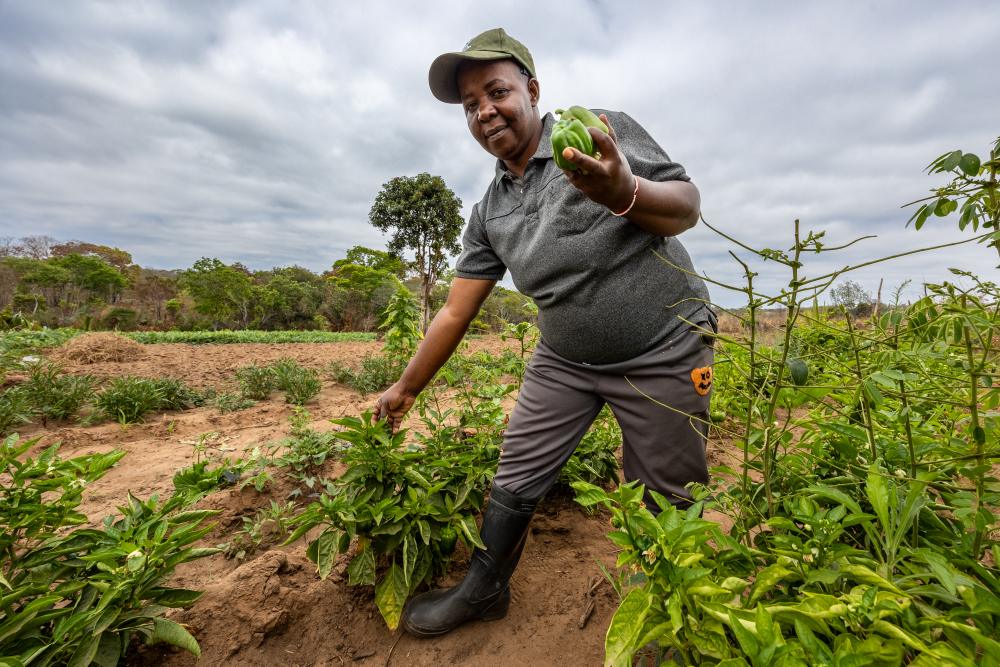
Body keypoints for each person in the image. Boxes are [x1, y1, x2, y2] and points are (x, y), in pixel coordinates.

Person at [374, 27, 715, 638]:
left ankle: (664, 620)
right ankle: (486, 587)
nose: (485, 111)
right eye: (471, 105)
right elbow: (455, 311)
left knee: (666, 497)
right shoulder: (491, 211)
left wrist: (622, 190)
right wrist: (406, 387)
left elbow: (686, 205)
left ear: (532, 91)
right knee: (518, 469)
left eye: (496, 91)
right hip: (565, 360)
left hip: (665, 346)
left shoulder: (597, 132)